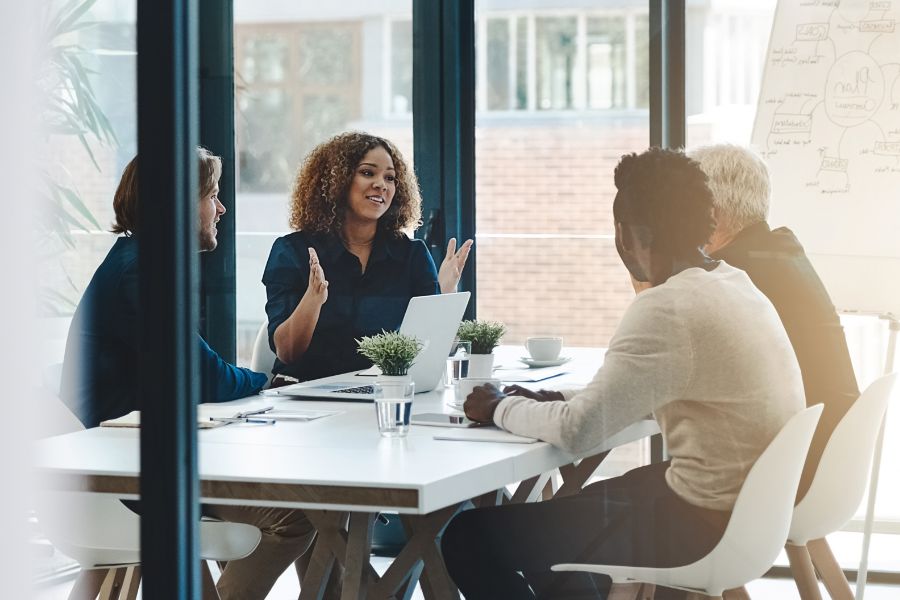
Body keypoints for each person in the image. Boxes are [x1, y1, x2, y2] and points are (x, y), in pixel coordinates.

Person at [444, 147, 805, 600]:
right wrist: (555, 399)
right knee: (561, 518)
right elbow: (639, 387)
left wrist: (498, 406)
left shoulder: (667, 307)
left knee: (470, 537)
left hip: (700, 526)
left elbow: (579, 431)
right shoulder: (735, 283)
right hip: (746, 516)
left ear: (633, 234)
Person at [60, 148, 321, 600]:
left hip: (132, 462)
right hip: (122, 477)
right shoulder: (141, 272)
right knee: (296, 515)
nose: (221, 209)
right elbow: (201, 375)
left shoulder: (137, 261)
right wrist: (263, 381)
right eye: (213, 195)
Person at [688, 143, 859, 501]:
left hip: (785, 473)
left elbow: (671, 373)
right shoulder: (781, 250)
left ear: (710, 213)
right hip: (834, 460)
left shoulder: (731, 273)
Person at [262, 131, 472, 384]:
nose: (381, 184)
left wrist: (445, 296)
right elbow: (288, 352)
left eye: (390, 177)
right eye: (367, 173)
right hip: (303, 393)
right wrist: (313, 300)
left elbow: (433, 352)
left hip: (382, 390)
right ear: (336, 181)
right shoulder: (293, 252)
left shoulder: (412, 255)